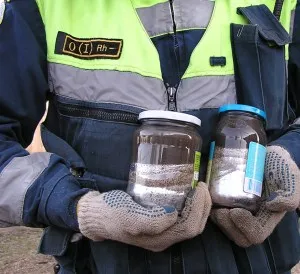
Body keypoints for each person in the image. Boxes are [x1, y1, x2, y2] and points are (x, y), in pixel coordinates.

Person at [0, 0, 299, 273]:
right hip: (102, 263)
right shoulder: (44, 6)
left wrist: (289, 159)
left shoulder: (285, 4)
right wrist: (76, 206)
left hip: (253, 262)